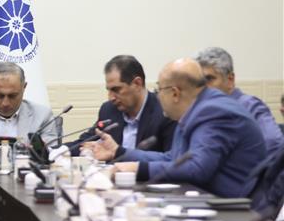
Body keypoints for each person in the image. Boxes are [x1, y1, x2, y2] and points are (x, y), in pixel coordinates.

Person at [88, 59, 265, 198]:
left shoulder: (213, 112)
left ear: (175, 93)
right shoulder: (194, 110)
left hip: (235, 208)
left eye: (159, 90)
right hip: (207, 198)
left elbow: (198, 168)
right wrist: (120, 152)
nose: (157, 96)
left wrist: (138, 169)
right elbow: (173, 158)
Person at [68, 55, 176, 156]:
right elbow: (85, 141)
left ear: (137, 83)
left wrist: (119, 153)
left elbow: (171, 160)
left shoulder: (166, 112)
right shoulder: (109, 110)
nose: (111, 98)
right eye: (109, 90)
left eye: (116, 90)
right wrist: (60, 150)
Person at [195, 47, 283, 157]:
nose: (203, 87)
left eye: (209, 79)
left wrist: (244, 166)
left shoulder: (249, 106)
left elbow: (274, 144)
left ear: (230, 80)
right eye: (200, 81)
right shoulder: (203, 111)